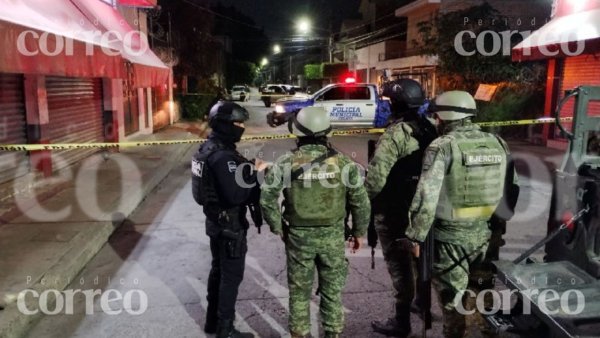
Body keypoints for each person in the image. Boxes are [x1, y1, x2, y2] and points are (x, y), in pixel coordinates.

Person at [403, 91, 519, 338]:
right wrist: (498, 226)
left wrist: (416, 236)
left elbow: (427, 194)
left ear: (444, 117)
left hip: (450, 240)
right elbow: (512, 189)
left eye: (437, 115)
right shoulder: (498, 143)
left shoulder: (442, 146)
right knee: (483, 295)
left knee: (453, 302)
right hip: (486, 236)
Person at [260, 107, 371, 338]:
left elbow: (267, 197)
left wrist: (278, 227)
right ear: (327, 132)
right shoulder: (342, 163)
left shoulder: (286, 161)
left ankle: (299, 333)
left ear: (297, 133)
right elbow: (360, 201)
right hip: (333, 237)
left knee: (299, 292)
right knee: (332, 292)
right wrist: (359, 233)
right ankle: (332, 334)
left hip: (299, 237)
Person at [365, 78, 438, 337]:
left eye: (387, 101)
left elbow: (374, 180)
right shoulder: (429, 129)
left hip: (395, 210)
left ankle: (401, 321)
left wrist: (362, 206)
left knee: (399, 265)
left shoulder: (396, 134)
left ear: (396, 103)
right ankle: (422, 303)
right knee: (421, 259)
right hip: (422, 209)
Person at [191, 101, 266, 338]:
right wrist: (255, 173)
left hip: (215, 221)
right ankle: (225, 328)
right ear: (224, 125)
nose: (242, 127)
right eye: (238, 123)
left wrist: (246, 167)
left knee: (218, 271)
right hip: (229, 225)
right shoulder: (222, 155)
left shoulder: (207, 148)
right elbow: (237, 194)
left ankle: (212, 322)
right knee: (230, 277)